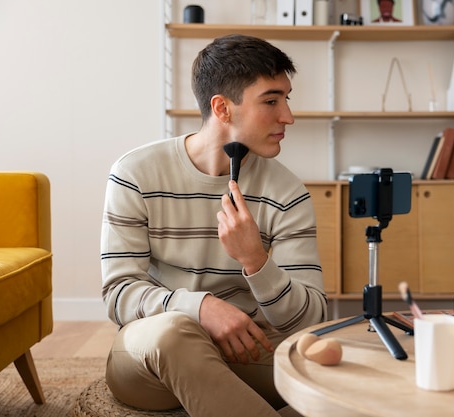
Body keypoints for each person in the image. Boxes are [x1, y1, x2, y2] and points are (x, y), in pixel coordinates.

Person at [100, 34, 327, 417]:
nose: (288, 116)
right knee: (174, 334)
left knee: (343, 371)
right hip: (153, 352)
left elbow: (309, 318)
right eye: (271, 101)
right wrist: (201, 308)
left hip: (246, 350)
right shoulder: (135, 173)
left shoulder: (287, 192)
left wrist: (256, 261)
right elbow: (119, 294)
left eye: (287, 99)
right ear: (222, 108)